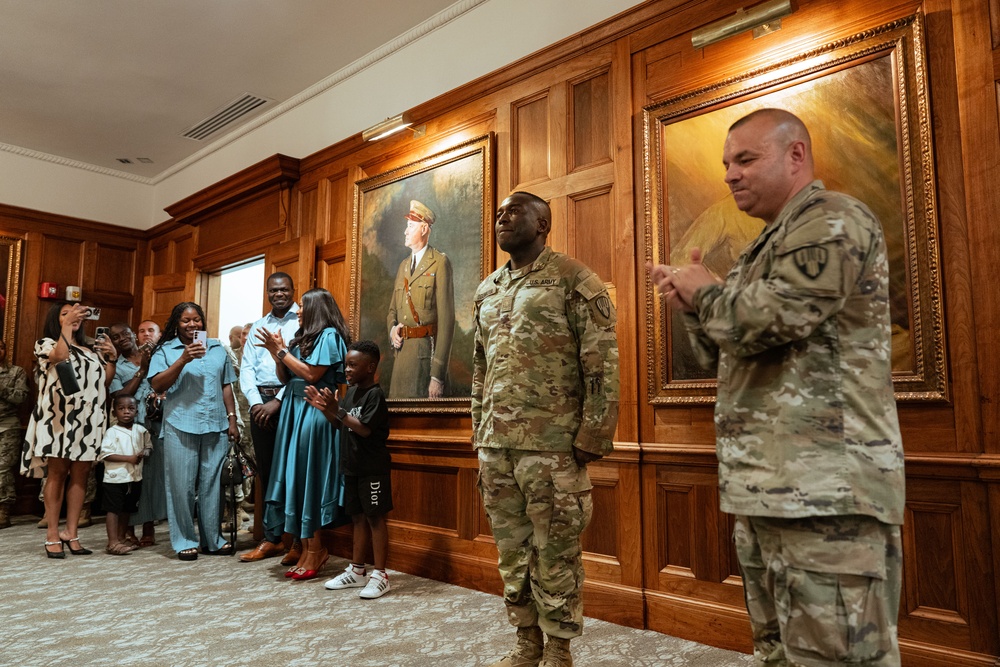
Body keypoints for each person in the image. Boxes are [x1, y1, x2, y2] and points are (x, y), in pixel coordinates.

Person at [649, 108, 905, 666]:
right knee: (781, 654)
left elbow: (777, 318)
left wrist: (709, 296)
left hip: (826, 491)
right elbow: (726, 351)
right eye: (725, 164)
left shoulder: (832, 217)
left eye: (745, 159)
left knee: (837, 657)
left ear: (796, 156)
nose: (730, 175)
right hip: (770, 488)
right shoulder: (762, 248)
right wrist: (694, 307)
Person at [472, 191, 619, 667]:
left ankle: (558, 649)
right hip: (497, 447)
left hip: (552, 447)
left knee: (555, 553)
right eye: (498, 214)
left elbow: (601, 364)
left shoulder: (574, 279)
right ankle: (526, 642)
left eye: (514, 212)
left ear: (543, 223)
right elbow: (480, 368)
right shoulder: (487, 290)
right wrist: (479, 430)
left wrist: (593, 435)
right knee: (512, 552)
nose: (502, 219)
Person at [255, 287, 350, 581]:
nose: (297, 311)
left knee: (310, 479)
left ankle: (317, 549)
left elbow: (311, 375)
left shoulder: (330, 336)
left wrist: (281, 351)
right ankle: (307, 548)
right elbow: (285, 376)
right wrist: (276, 353)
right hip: (293, 411)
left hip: (314, 408)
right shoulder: (301, 338)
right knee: (296, 478)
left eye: (302, 306)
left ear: (315, 309)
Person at [22, 301, 119, 558]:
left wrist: (111, 358)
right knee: (57, 473)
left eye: (76, 314)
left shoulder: (90, 349)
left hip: (89, 419)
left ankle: (71, 532)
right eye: (66, 314)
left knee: (82, 474)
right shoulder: (46, 343)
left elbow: (104, 383)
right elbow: (60, 357)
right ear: (57, 319)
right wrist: (66, 326)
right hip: (59, 417)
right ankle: (52, 533)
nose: (74, 316)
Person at [148, 302, 240, 561]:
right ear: (176, 323)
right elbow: (157, 384)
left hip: (216, 425)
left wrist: (232, 419)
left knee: (212, 486)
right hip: (180, 424)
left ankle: (213, 540)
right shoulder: (166, 350)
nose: (192, 325)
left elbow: (226, 386)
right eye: (186, 320)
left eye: (196, 320)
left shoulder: (216, 348)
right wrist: (183, 359)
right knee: (182, 486)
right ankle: (184, 540)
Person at [306, 340, 392, 599]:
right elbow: (341, 424)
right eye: (346, 365)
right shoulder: (351, 392)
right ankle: (357, 570)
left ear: (371, 367)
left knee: (375, 518)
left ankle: (381, 575)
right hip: (352, 466)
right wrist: (327, 411)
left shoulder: (374, 394)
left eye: (353, 365)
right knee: (357, 517)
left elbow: (364, 428)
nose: (347, 370)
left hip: (372, 468)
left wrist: (338, 412)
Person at [239, 272, 300, 563]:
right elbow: (247, 368)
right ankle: (273, 538)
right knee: (267, 471)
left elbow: (304, 370)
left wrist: (278, 400)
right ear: (268, 293)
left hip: (291, 400)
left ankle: (299, 541)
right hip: (259, 404)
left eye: (284, 289)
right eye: (274, 290)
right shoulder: (259, 326)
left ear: (292, 290)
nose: (279, 294)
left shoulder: (303, 321)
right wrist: (255, 403)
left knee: (295, 471)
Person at [386, 199, 455, 399]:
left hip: (426, 360)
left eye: (410, 226)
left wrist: (437, 376)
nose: (405, 231)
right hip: (401, 360)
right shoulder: (403, 266)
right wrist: (392, 330)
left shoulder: (439, 263)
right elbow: (392, 311)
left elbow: (447, 322)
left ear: (424, 228)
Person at [109, 322, 166, 548]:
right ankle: (129, 528)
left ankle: (149, 527)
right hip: (131, 428)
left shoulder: (155, 355)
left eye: (125, 333)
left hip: (157, 423)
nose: (121, 338)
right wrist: (142, 370)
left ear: (133, 335)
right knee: (132, 479)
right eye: (115, 337)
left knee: (153, 478)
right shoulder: (115, 366)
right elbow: (119, 396)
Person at [99, 395, 151, 555]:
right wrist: (129, 459)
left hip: (134, 477)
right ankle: (112, 541)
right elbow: (105, 455)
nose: (126, 412)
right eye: (121, 409)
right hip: (115, 478)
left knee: (127, 509)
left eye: (131, 409)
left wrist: (146, 452)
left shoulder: (141, 430)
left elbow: (148, 445)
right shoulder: (111, 432)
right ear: (114, 413)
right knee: (113, 509)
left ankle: (121, 538)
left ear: (136, 411)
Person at [0, 339, 28, 529]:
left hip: (7, 425)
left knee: (2, 469)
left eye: (0, 347)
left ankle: (3, 510)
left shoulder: (16, 371)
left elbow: (20, 397)